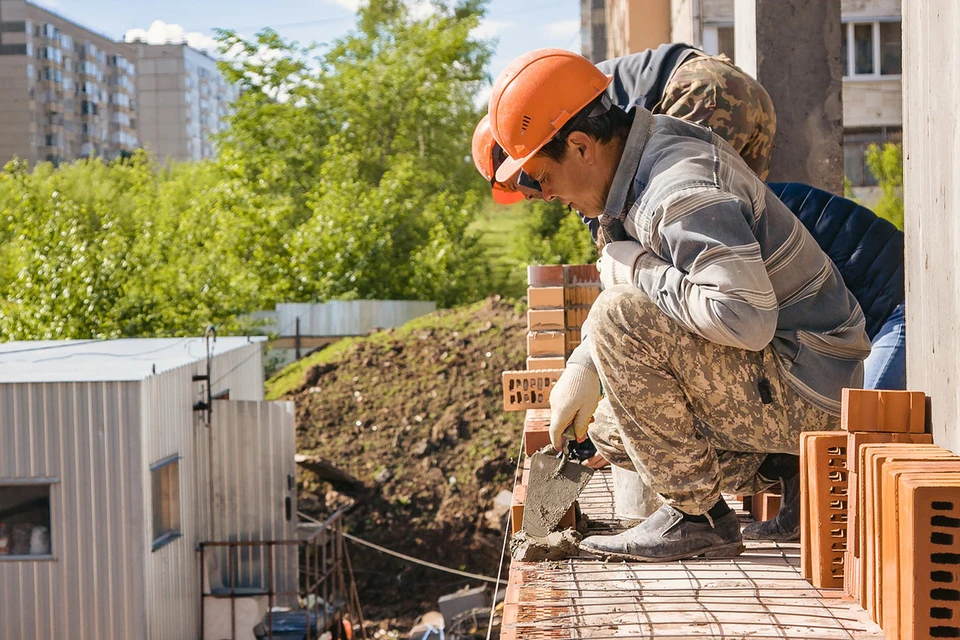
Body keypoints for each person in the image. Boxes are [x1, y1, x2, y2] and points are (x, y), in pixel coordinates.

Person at [488, 49, 871, 560]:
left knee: (616, 321)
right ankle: (791, 468)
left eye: (542, 178)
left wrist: (636, 272)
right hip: (800, 370)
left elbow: (744, 317)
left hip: (813, 386)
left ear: (579, 146)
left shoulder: (675, 186)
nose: (548, 195)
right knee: (611, 431)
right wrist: (583, 368)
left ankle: (697, 518)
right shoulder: (639, 167)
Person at [472, 42, 777, 205]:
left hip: (701, 93)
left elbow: (606, 212)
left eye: (520, 181)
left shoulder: (563, 116)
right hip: (733, 89)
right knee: (751, 217)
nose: (536, 195)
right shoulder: (565, 94)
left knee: (684, 212)